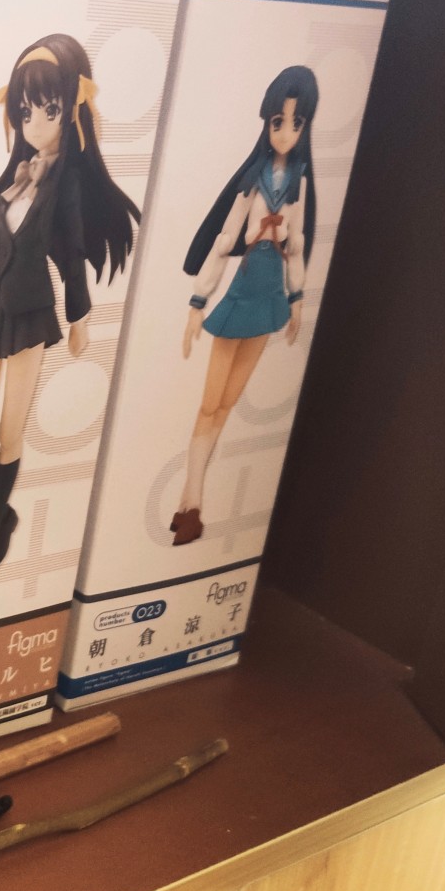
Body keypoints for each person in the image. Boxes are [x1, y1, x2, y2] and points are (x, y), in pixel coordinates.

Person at [0, 34, 139, 591]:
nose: (35, 123)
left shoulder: (66, 183)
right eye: (25, 112)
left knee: (9, 433)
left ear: (71, 111)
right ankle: (5, 513)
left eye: (48, 110)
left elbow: (72, 255)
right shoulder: (16, 180)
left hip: (28, 316)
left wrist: (79, 318)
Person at [173, 65, 319, 546]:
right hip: (240, 291)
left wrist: (297, 299)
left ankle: (190, 503)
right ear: (267, 122)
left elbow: (296, 243)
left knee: (228, 403)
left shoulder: (298, 181)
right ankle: (192, 500)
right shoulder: (253, 178)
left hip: (271, 296)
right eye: (279, 121)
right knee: (209, 402)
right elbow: (225, 238)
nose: (286, 132)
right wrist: (198, 302)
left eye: (296, 123)